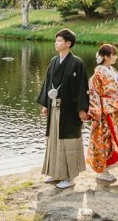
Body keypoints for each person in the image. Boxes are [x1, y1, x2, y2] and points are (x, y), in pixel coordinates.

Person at [37, 29, 89, 189]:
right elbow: (47, 83)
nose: (56, 43)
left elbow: (82, 87)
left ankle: (69, 176)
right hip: (54, 106)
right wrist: (46, 104)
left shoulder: (77, 63)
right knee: (53, 139)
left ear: (68, 43)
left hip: (70, 110)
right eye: (56, 40)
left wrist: (82, 109)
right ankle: (55, 172)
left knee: (68, 141)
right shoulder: (54, 61)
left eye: (59, 41)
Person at [86, 43, 118, 183]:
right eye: (114, 54)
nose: (116, 57)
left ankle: (108, 167)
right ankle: (102, 170)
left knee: (115, 140)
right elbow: (94, 94)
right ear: (105, 57)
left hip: (116, 110)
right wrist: (97, 112)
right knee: (105, 140)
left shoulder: (112, 70)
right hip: (105, 113)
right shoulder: (98, 74)